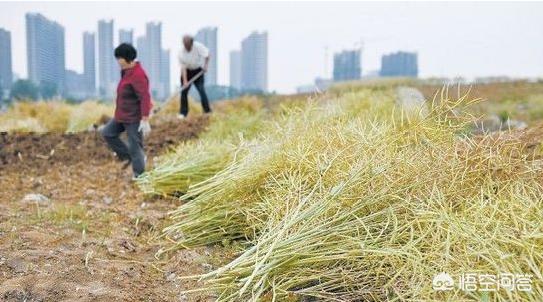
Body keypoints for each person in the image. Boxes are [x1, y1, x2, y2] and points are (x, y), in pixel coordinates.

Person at [101, 43, 152, 180]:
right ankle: (128, 157)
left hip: (133, 118)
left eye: (120, 58)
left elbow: (145, 97)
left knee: (135, 146)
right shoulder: (126, 71)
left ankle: (139, 176)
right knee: (107, 133)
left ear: (128, 58)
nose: (118, 61)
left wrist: (145, 118)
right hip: (121, 115)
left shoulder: (138, 75)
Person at [178, 35, 212, 119]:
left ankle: (207, 111)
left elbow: (207, 55)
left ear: (191, 44)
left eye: (188, 45)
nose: (186, 47)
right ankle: (183, 113)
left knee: (201, 90)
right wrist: (185, 81)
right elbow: (183, 68)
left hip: (198, 71)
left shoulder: (198, 47)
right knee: (184, 92)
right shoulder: (181, 52)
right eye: (185, 45)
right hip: (187, 72)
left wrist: (206, 66)